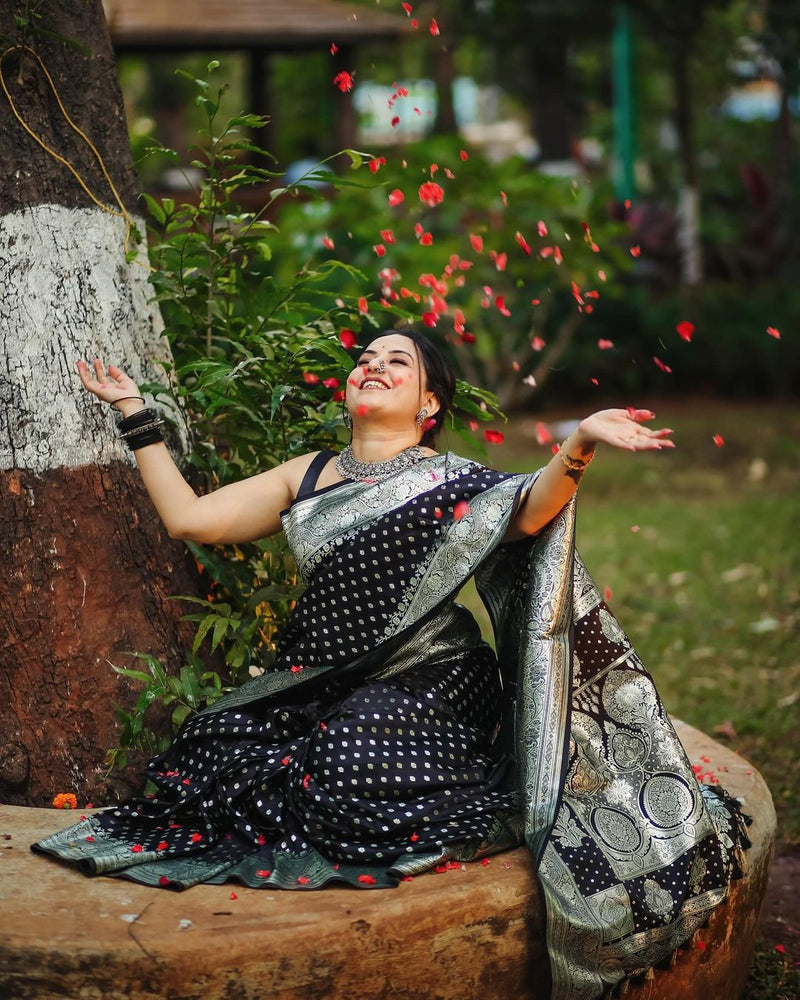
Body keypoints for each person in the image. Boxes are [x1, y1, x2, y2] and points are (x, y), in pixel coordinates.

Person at [32, 330, 748, 999]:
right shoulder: (309, 474)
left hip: (433, 678)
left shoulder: (457, 480)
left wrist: (582, 444)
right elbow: (193, 520)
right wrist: (134, 414)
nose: (372, 365)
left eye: (397, 361)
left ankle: (487, 775)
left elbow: (530, 511)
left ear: (429, 403)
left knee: (348, 764)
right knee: (213, 751)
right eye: (366, 357)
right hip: (329, 679)